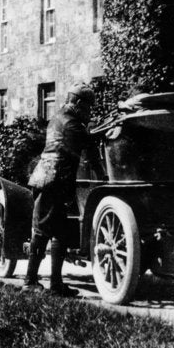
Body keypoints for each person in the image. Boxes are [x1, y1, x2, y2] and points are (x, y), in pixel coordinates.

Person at [23, 84, 104, 295]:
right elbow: (91, 150)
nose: (89, 112)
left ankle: (56, 285)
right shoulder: (72, 125)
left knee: (59, 233)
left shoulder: (57, 118)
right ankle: (29, 281)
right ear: (77, 103)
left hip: (49, 180)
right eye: (87, 107)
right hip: (52, 182)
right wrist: (103, 176)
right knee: (42, 232)